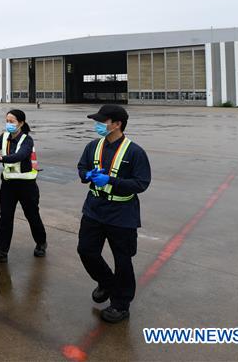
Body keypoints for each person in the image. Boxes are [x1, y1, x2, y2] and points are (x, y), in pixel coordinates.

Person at [77, 104, 151, 324]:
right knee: (86, 251)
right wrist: (87, 174)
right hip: (94, 209)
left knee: (123, 260)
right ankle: (107, 282)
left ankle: (121, 304)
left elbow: (141, 183)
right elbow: (81, 168)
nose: (98, 125)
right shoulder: (93, 146)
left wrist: (111, 180)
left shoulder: (135, 151)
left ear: (117, 124)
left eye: (103, 121)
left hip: (121, 213)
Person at [0, 109, 47, 263]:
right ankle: (1, 251)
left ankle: (41, 242)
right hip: (8, 185)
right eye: (7, 121)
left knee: (32, 215)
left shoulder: (27, 140)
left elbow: (20, 156)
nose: (8, 124)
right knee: (5, 217)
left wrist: (1, 158)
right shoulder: (5, 136)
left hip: (26, 186)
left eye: (12, 121)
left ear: (21, 123)